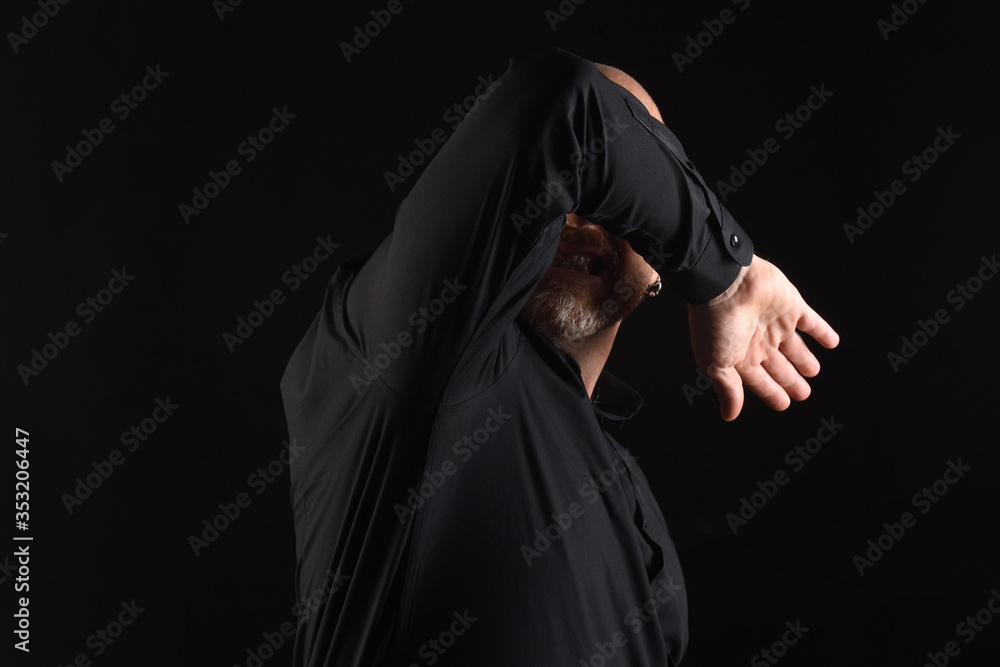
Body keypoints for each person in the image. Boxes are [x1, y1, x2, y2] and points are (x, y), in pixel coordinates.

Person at [280, 47, 839, 667]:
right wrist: (726, 275)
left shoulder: (628, 495)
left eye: (623, 194)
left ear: (658, 264)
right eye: (571, 188)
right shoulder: (402, 341)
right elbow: (560, 107)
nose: (580, 213)